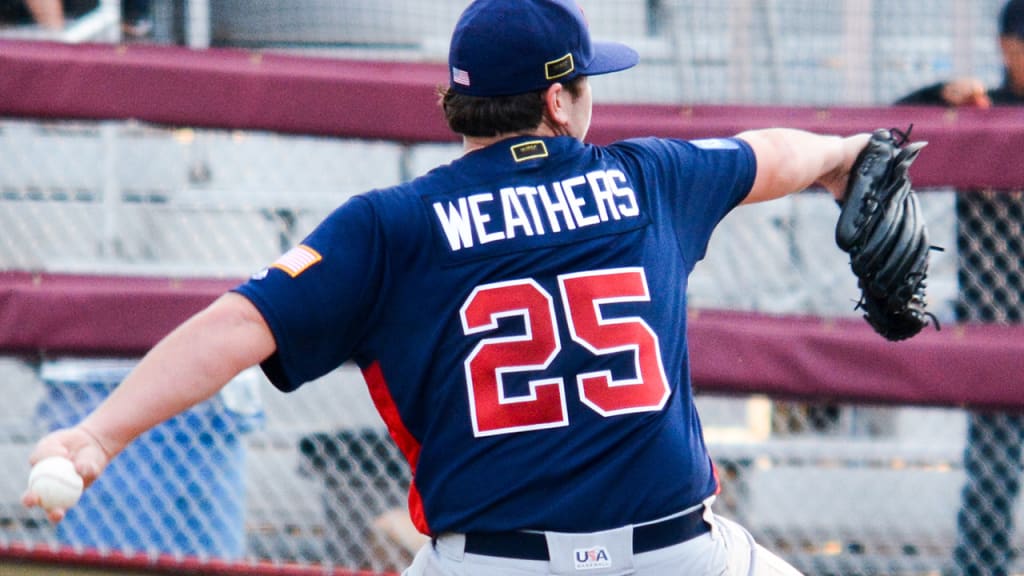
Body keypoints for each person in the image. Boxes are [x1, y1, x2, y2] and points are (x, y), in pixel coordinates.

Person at [22, 0, 873, 574]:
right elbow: (772, 152)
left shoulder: (392, 225)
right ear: (556, 101)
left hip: (493, 561)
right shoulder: (652, 178)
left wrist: (97, 434)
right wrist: (843, 158)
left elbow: (237, 325)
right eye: (586, 85)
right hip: (678, 555)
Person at [897, 1, 1024, 574]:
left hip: (998, 313)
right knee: (994, 468)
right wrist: (938, 94)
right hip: (998, 319)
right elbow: (884, 133)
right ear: (1008, 47)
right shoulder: (979, 112)